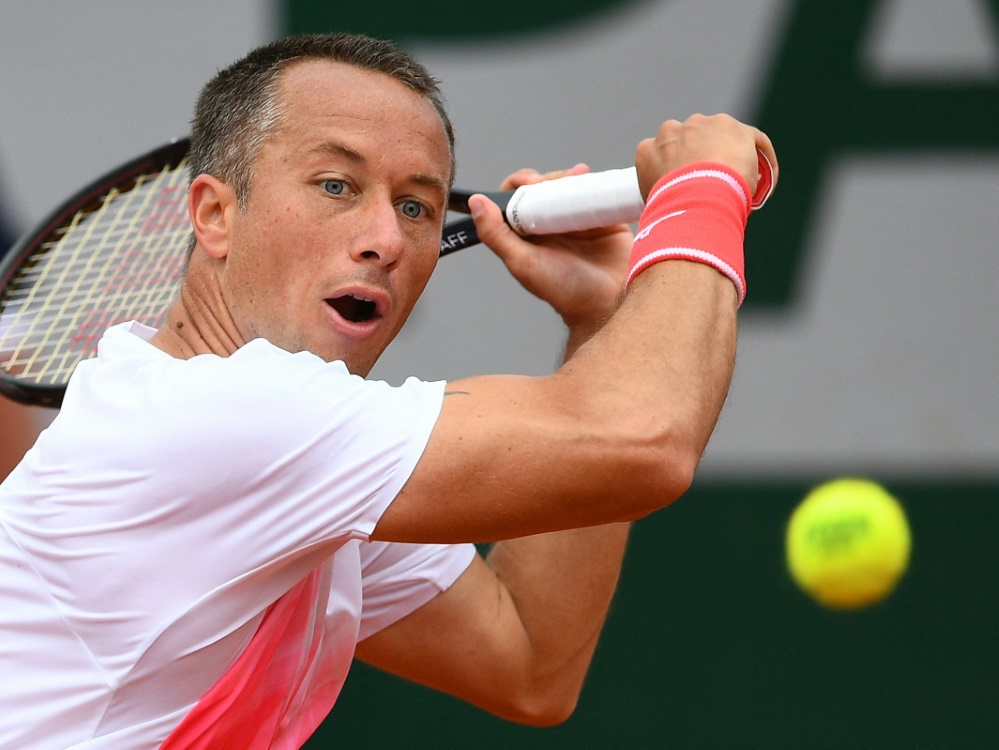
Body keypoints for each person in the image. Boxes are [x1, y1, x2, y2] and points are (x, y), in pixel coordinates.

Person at [0, 32, 776, 749]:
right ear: (213, 214)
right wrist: (701, 193)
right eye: (336, 185)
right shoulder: (223, 421)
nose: (387, 238)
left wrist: (603, 315)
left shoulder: (276, 457)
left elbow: (528, 662)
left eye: (415, 205)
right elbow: (643, 439)